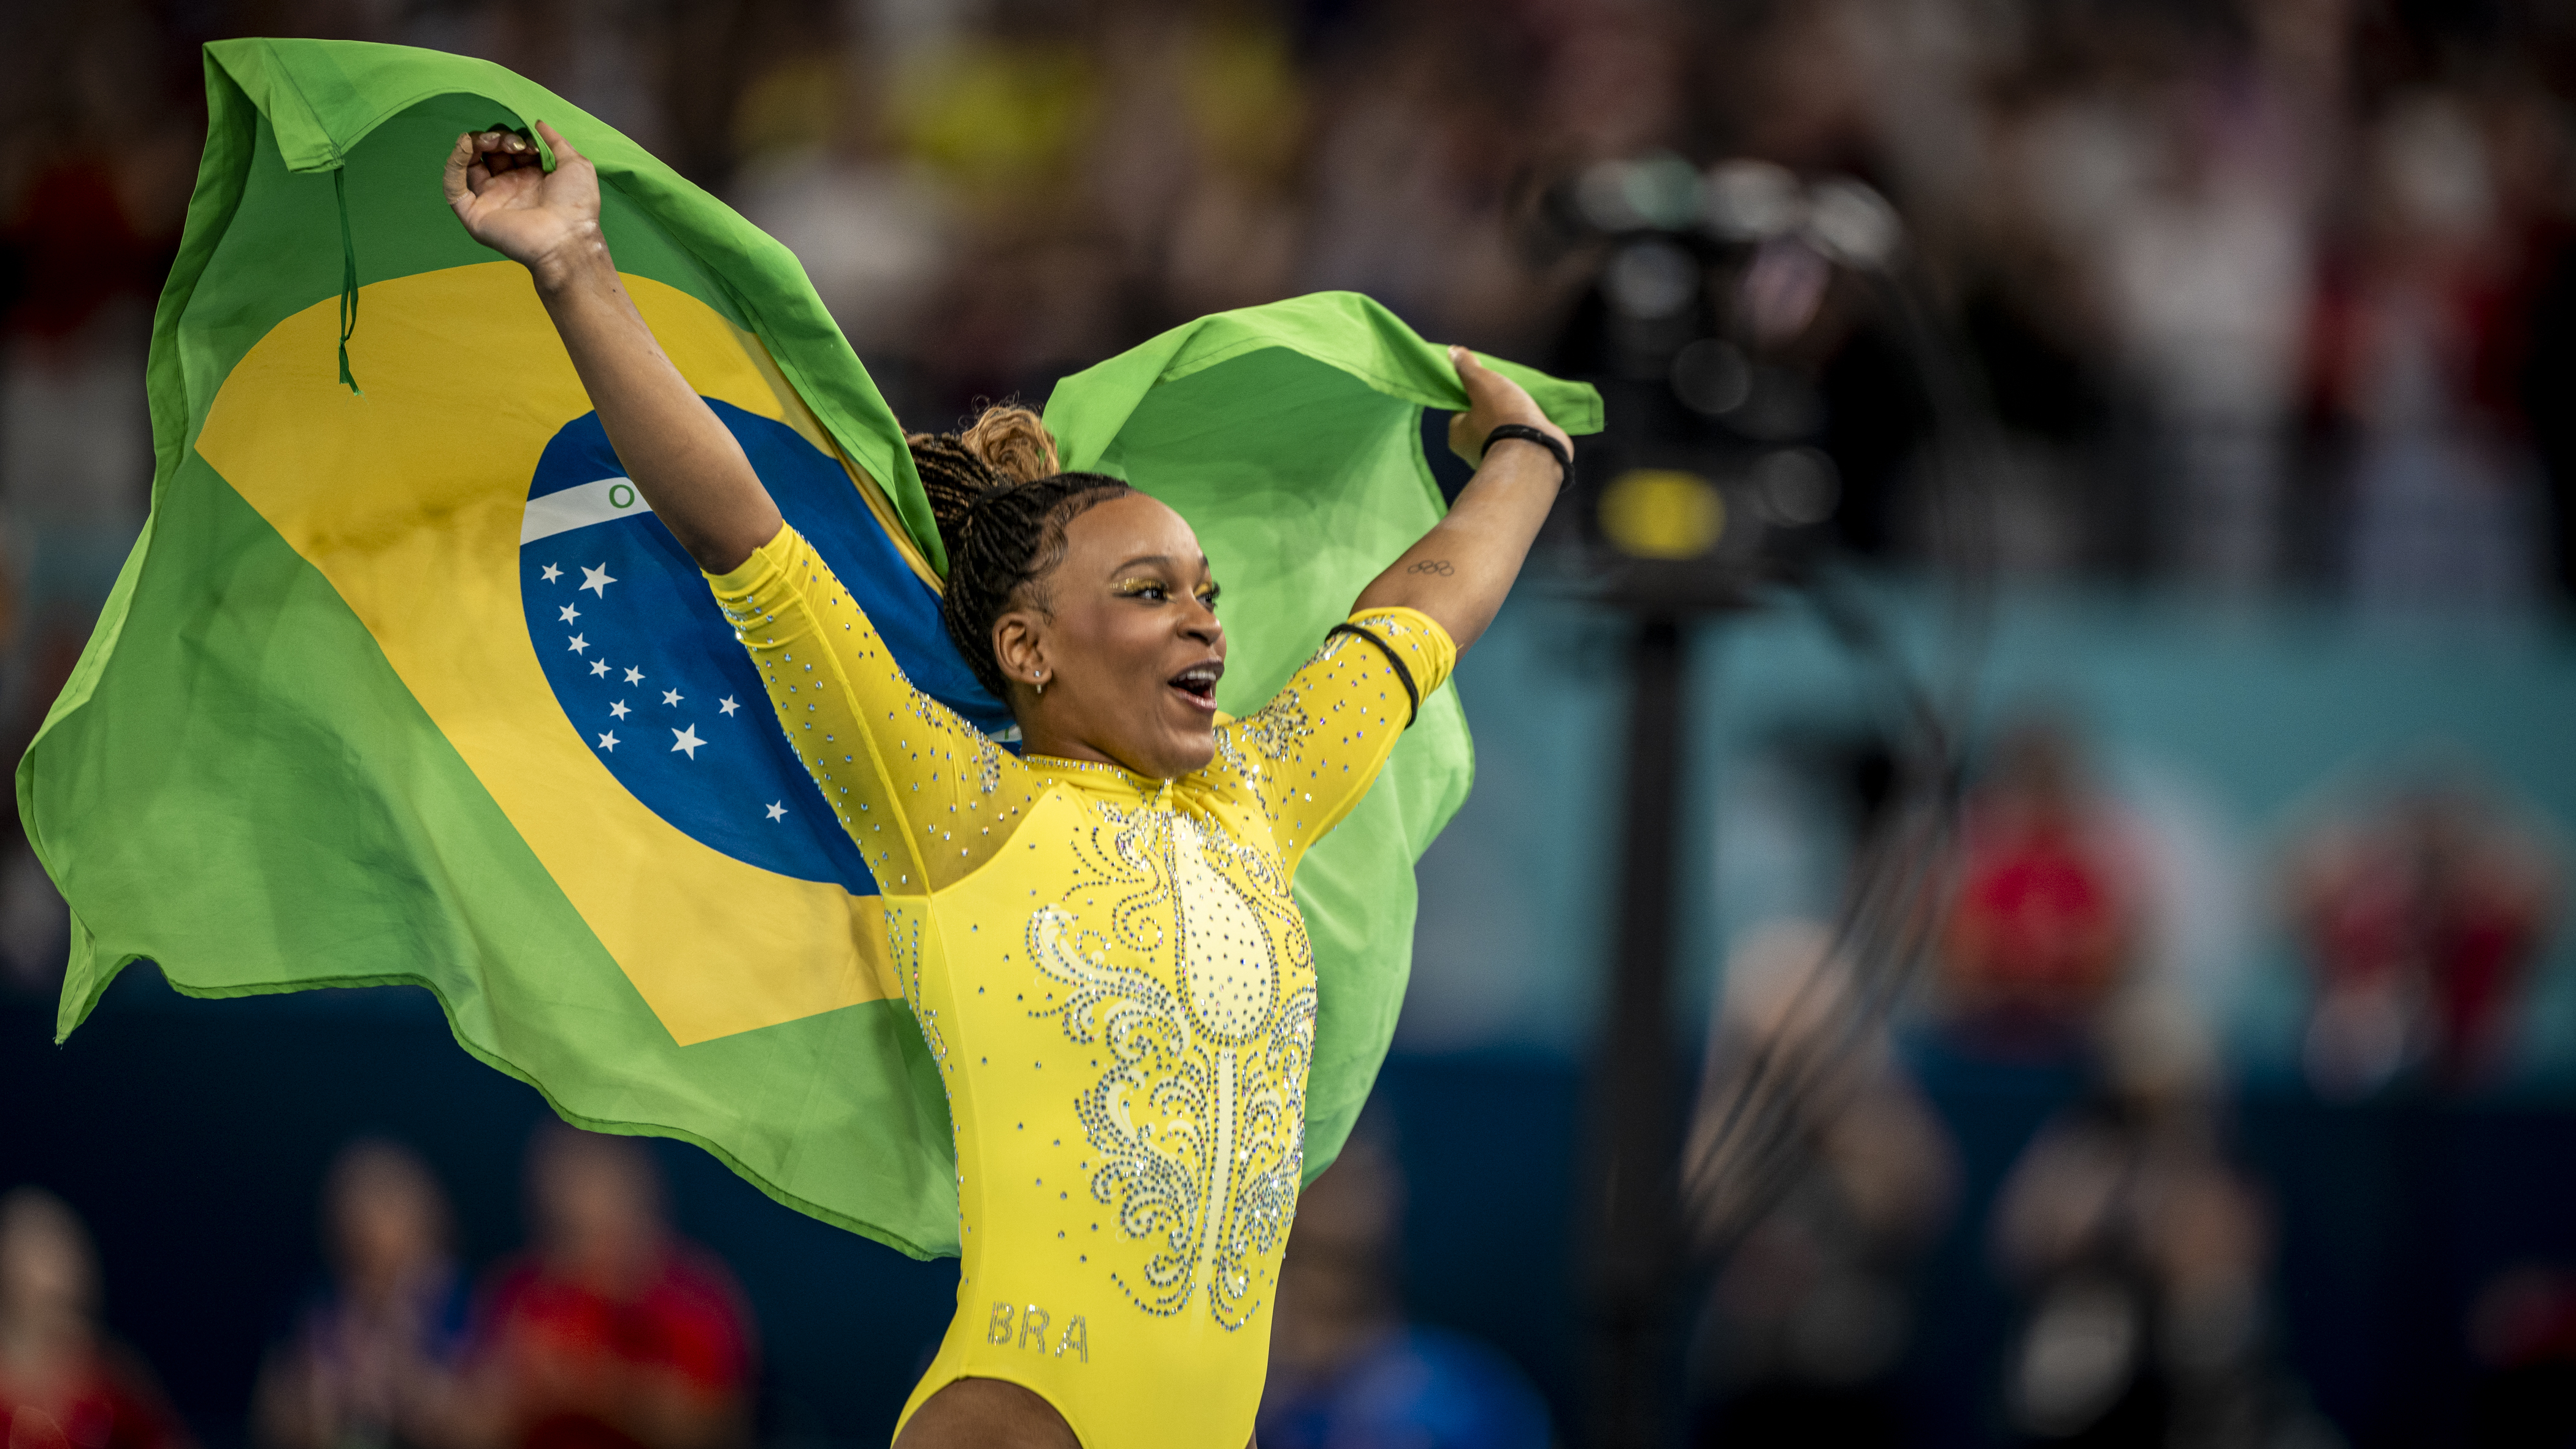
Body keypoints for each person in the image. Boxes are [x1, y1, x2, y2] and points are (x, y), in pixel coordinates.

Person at [443, 115, 1574, 1448]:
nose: (1204, 619)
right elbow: (741, 531)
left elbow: (1416, 620)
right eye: (1149, 590)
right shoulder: (960, 809)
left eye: (1206, 591)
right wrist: (573, 266)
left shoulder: (1256, 798)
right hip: (1020, 1414)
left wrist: (1529, 453)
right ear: (1029, 649)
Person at [1259, 1120, 1552, 1449]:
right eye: (1325, 1172)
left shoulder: (1473, 1402)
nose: (1345, 1196)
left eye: (1366, 1170)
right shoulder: (1249, 1405)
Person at [453, 1128, 753, 1449]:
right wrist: (512, 1392)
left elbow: (719, 1425)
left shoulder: (695, 1294)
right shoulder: (519, 1291)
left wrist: (598, 1384)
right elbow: (474, 1426)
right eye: (570, 1226)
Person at [256, 1140, 472, 1449]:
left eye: (384, 1200)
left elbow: (487, 1422)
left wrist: (403, 1375)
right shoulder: (319, 1311)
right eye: (350, 1202)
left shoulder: (463, 1302)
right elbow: (272, 1418)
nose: (364, 1219)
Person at [0, 1188, 191, 1449]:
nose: (59, 1274)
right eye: (39, 1255)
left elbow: (168, 1438)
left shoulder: (109, 1375)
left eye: (65, 1252)